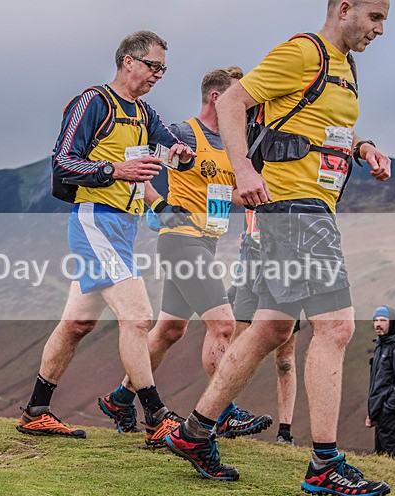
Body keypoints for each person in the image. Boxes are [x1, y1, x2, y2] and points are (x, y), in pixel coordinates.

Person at [165, 0, 394, 496]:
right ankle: (325, 462)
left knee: (270, 327)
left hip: (302, 209)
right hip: (294, 207)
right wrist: (243, 168)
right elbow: (230, 103)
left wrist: (363, 148)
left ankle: (195, 431)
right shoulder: (302, 52)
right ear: (345, 8)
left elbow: (324, 127)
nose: (380, 30)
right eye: (374, 18)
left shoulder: (343, 67)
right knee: (335, 326)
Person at [17, 31, 196, 449]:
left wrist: (182, 155)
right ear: (127, 61)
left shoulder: (145, 112)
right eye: (153, 66)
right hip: (94, 222)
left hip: (124, 226)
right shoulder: (93, 102)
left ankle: (36, 412)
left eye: (163, 69)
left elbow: (169, 147)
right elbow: (62, 160)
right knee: (137, 317)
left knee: (77, 323)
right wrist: (114, 171)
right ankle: (156, 417)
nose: (158, 75)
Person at [98, 67, 272, 440]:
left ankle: (120, 398)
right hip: (181, 240)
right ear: (216, 98)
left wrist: (264, 196)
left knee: (170, 330)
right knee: (223, 324)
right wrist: (159, 205)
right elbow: (136, 167)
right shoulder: (181, 134)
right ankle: (222, 411)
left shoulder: (234, 142)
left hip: (208, 241)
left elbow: (230, 192)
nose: (246, 107)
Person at [227, 209, 299, 445]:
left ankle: (285, 432)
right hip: (250, 265)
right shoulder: (250, 172)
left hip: (285, 267)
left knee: (285, 360)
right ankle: (224, 415)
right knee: (236, 348)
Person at [367, 306, 395, 459]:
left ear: (393, 323)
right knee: (382, 462)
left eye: (383, 320)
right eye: (375, 320)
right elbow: (378, 384)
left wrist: (388, 409)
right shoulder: (381, 346)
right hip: (383, 415)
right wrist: (373, 413)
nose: (377, 324)